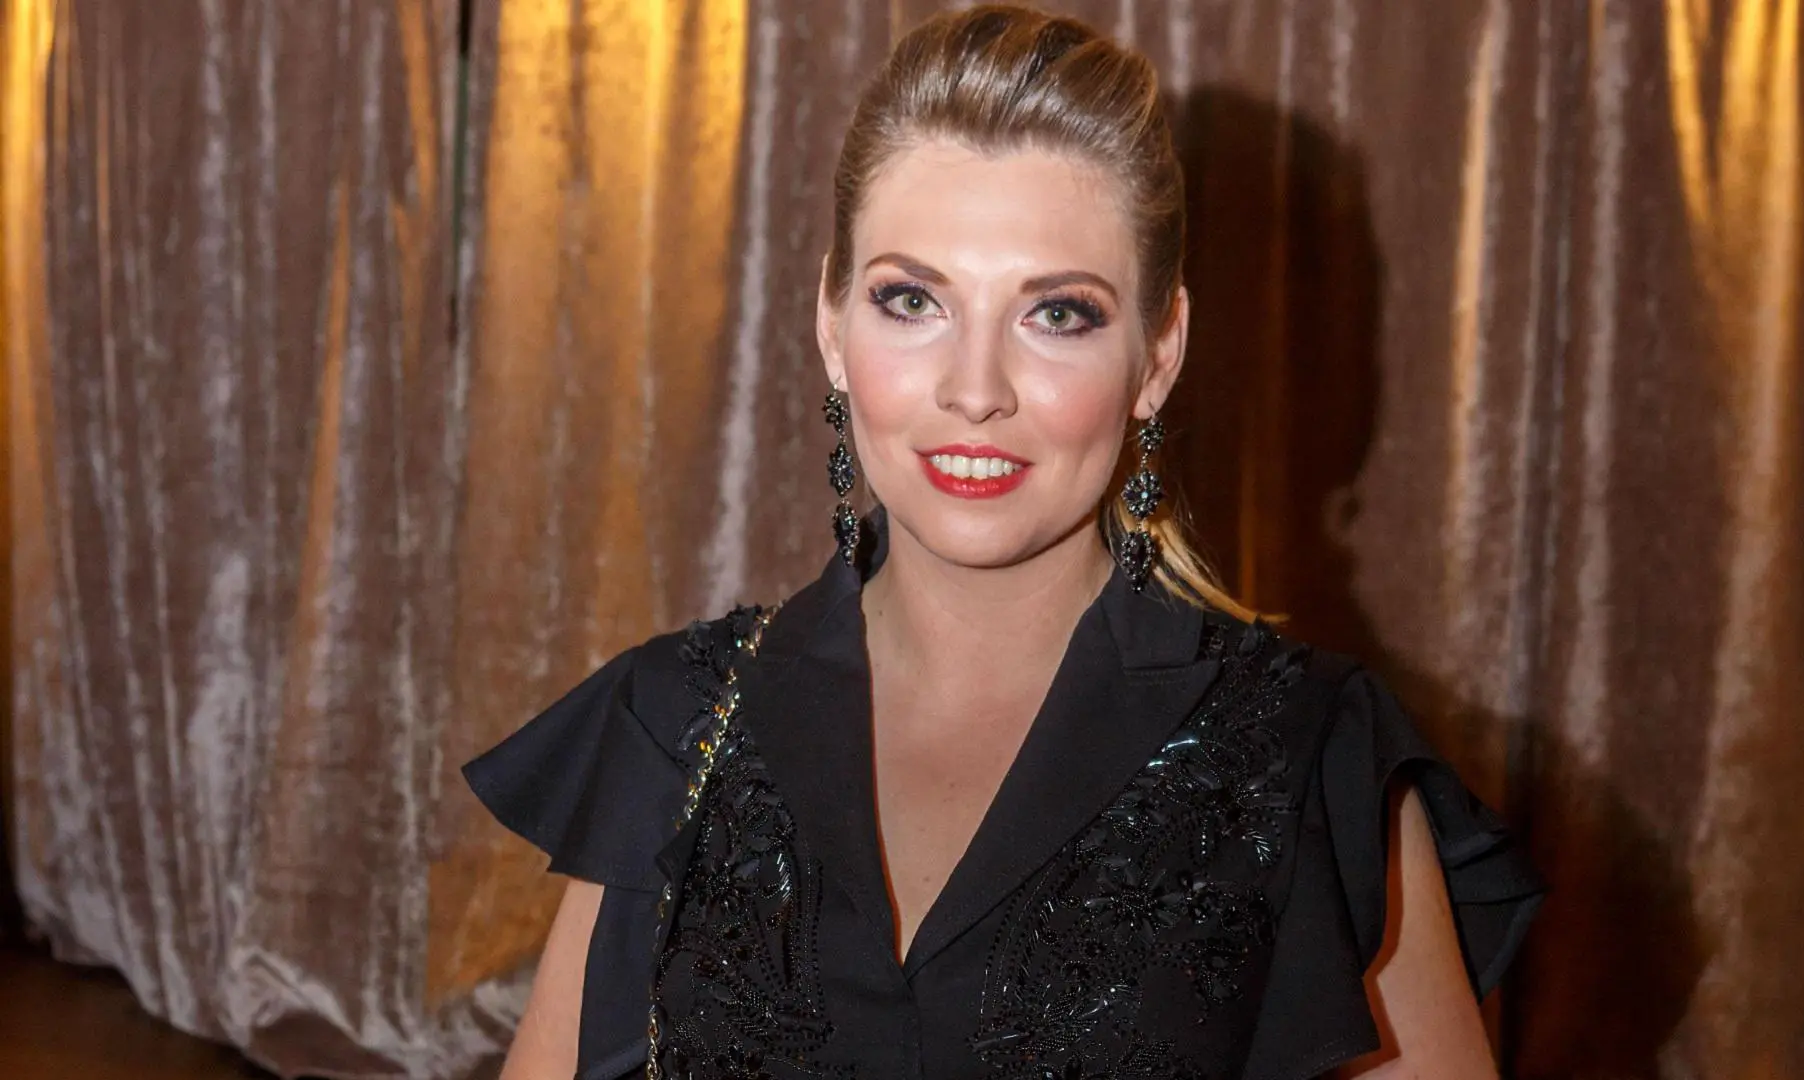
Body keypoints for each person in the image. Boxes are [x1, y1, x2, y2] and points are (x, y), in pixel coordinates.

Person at [463, 6, 1544, 1078]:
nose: (975, 390)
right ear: (832, 326)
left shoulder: (1312, 758)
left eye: (1056, 314)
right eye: (912, 300)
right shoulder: (674, 724)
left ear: (1158, 355)